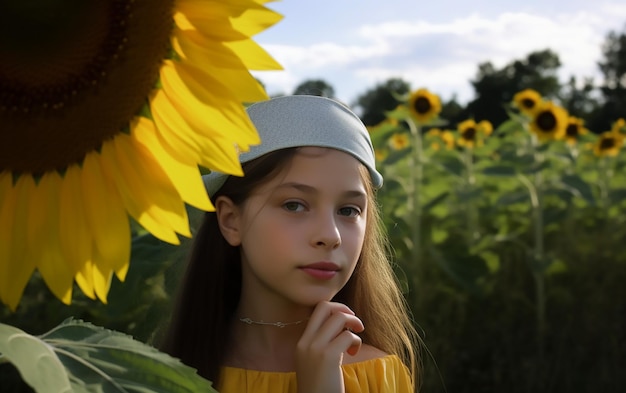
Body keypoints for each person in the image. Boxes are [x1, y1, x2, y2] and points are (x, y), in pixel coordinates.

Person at [161, 95, 421, 392]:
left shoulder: (379, 374)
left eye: (348, 210)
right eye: (295, 205)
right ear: (231, 220)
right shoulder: (161, 375)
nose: (330, 235)